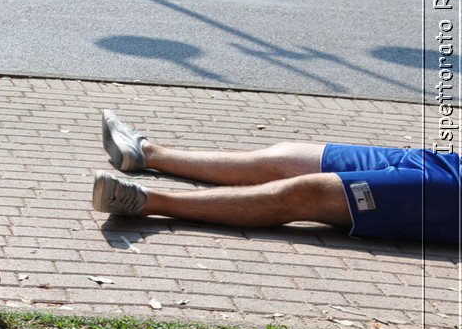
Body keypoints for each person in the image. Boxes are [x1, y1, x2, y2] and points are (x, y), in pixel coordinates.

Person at [93, 111, 460, 246]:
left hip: (452, 196)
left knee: (307, 194)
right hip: (446, 164)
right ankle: (146, 153)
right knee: (285, 158)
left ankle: (147, 202)